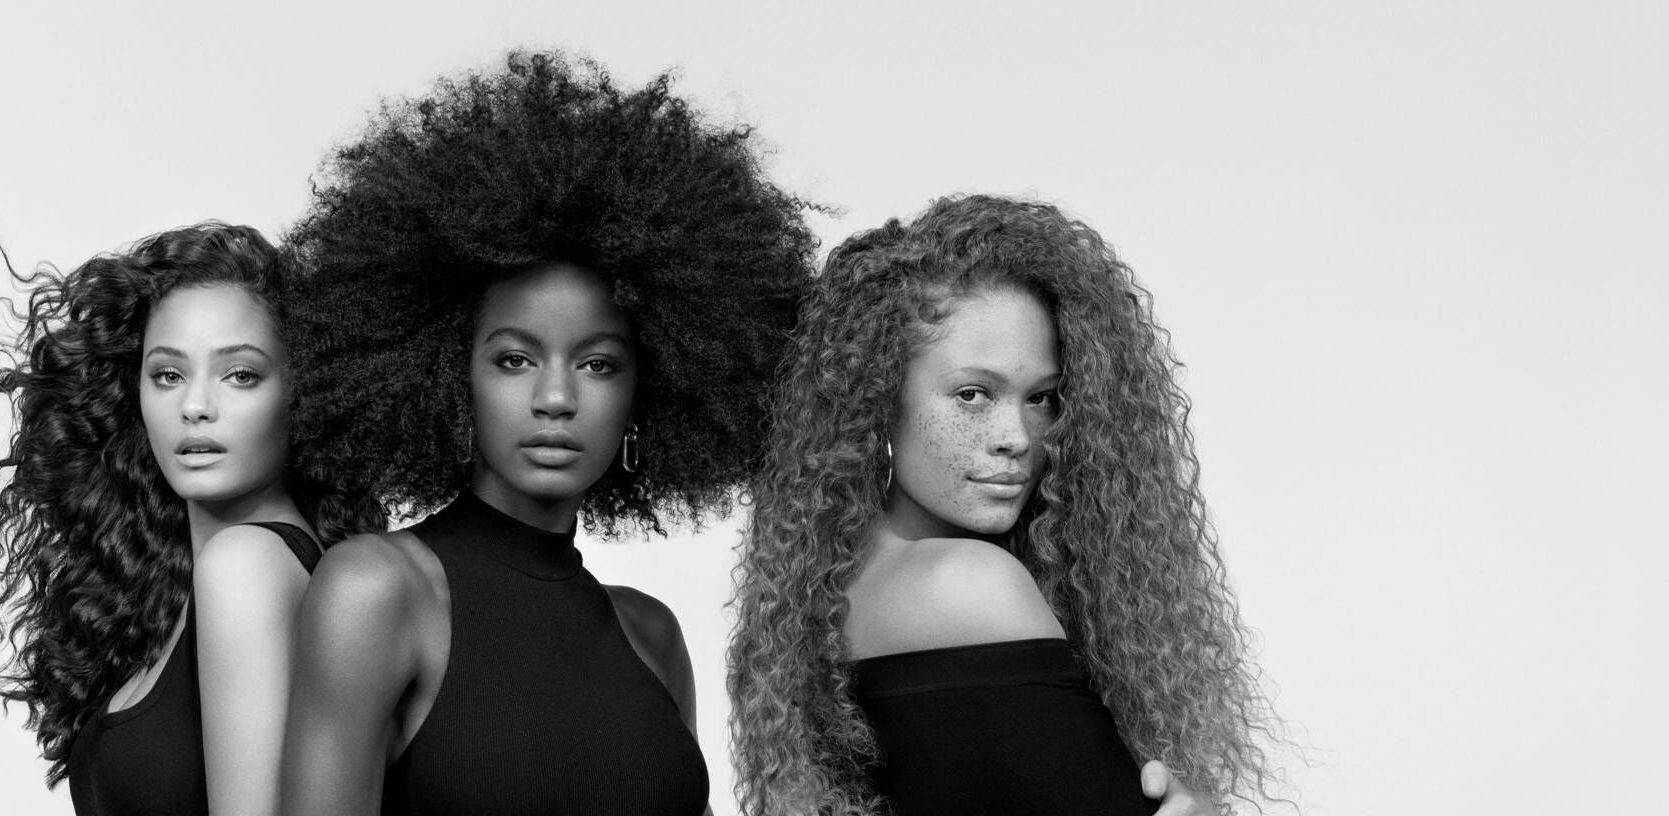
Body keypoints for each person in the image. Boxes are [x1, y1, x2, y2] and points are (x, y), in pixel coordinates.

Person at [274, 51, 815, 816]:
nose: (555, 397)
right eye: (514, 359)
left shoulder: (649, 636)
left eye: (597, 364)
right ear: (446, 372)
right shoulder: (378, 591)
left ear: (646, 391)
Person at [728, 195, 1285, 815]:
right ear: (877, 402)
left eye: (1041, 398)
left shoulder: (832, 588)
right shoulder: (967, 585)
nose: (1017, 437)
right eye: (972, 394)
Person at [0, 223, 381, 816]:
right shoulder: (189, 589)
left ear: (305, 393)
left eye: (240, 374)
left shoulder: (246, 567)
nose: (196, 406)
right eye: (168, 375)